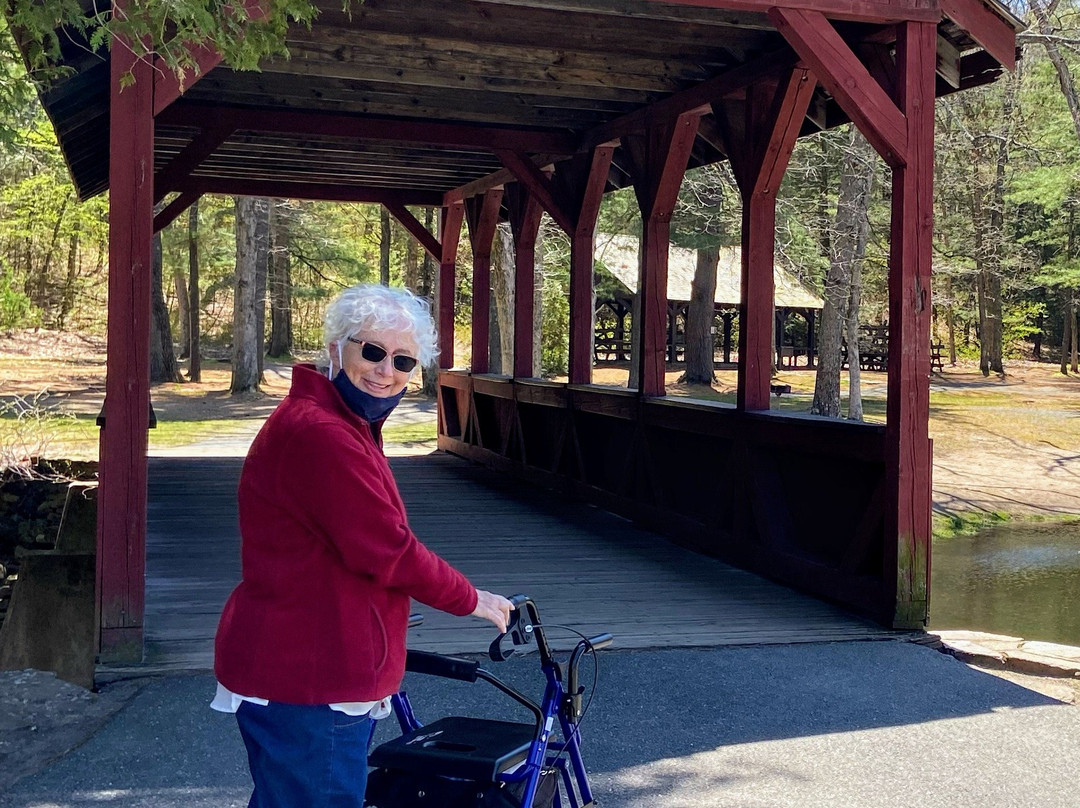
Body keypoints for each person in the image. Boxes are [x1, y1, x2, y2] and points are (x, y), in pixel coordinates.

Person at [212, 283, 513, 808]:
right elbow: (385, 548)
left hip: (305, 665)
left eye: (403, 361)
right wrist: (471, 598)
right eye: (371, 351)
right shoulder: (321, 433)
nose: (385, 370)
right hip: (309, 675)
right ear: (335, 349)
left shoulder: (343, 422)